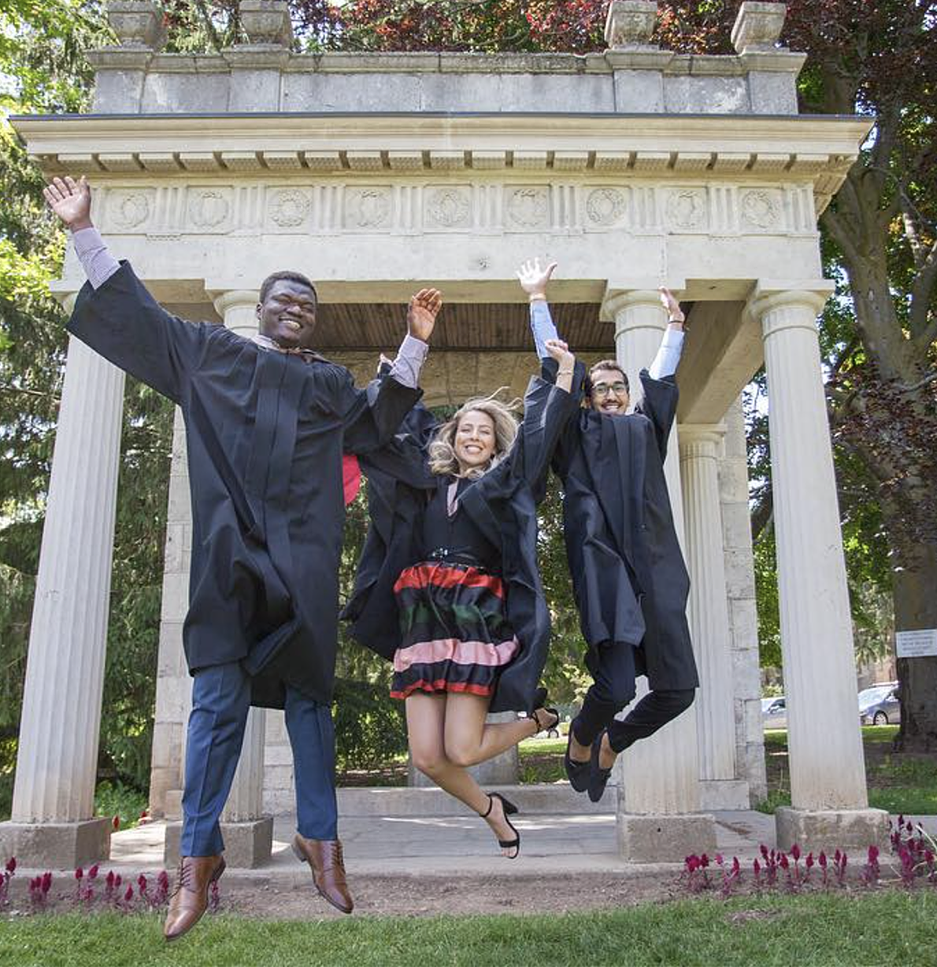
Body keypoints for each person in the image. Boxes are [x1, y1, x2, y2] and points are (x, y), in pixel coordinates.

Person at [43, 175, 442, 936]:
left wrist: (416, 342)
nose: (295, 313)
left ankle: (321, 844)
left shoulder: (327, 384)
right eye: (283, 303)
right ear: (260, 312)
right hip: (229, 556)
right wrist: (85, 232)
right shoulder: (213, 355)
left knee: (309, 704)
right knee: (217, 704)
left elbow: (377, 420)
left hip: (304, 563)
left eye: (307, 307)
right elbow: (145, 324)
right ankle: (197, 862)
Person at [343, 338, 585, 857]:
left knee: (464, 747)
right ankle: (491, 810)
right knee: (429, 756)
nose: (473, 436)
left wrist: (563, 376)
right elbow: (393, 428)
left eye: (484, 431)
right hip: (422, 619)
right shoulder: (424, 480)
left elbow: (538, 440)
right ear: (451, 437)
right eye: (465, 429)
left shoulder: (504, 482)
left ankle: (536, 721)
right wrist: (398, 367)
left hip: (474, 615)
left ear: (495, 442)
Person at [516, 258, 699, 803]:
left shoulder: (646, 430)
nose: (613, 395)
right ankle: (579, 738)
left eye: (619, 386)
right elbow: (556, 368)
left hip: (658, 570)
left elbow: (662, 380)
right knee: (616, 686)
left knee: (678, 691)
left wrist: (674, 329)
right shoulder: (576, 433)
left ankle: (611, 743)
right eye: (602, 389)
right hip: (605, 567)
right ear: (589, 398)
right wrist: (537, 301)